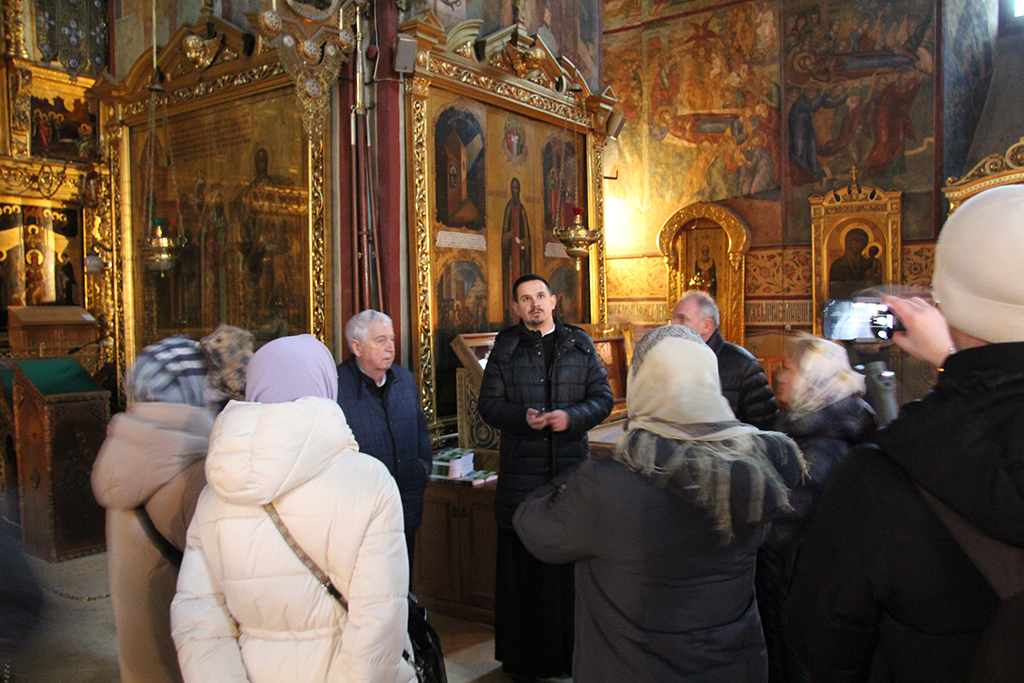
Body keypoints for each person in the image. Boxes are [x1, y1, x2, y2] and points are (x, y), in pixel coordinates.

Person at [784, 185, 1024, 683]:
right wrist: (956, 361)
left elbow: (821, 641)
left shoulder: (882, 475)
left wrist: (955, 361)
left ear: (944, 305)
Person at [513, 325, 805, 683]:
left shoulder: (609, 484)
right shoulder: (758, 469)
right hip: (733, 664)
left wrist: (576, 473)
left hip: (632, 669)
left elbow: (535, 527)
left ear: (642, 385)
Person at [171, 335, 415, 683]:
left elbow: (199, 619)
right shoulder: (369, 481)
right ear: (326, 385)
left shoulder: (216, 494)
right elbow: (380, 619)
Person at [92, 328, 253, 683]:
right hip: (185, 661)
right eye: (205, 383)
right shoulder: (191, 472)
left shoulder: (126, 451)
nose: (212, 391)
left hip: (142, 659)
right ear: (189, 389)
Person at [478, 274, 614, 683]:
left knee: (566, 571)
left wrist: (572, 417)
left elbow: (603, 398)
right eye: (525, 299)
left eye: (540, 296)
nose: (534, 303)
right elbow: (489, 404)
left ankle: (569, 657)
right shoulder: (507, 346)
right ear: (516, 308)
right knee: (524, 574)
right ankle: (525, 662)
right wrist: (522, 418)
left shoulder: (579, 343)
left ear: (554, 301)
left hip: (570, 475)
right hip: (522, 478)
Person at [755, 334, 875, 683]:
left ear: (814, 379)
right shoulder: (819, 432)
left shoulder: (817, 451)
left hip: (799, 595)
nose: (781, 376)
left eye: (790, 369)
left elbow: (778, 533)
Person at [337, 310, 431, 567]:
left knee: (404, 574)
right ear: (357, 347)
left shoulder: (404, 380)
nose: (391, 348)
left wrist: (422, 467)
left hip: (406, 499)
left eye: (391, 339)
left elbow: (420, 429)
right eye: (381, 341)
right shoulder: (337, 387)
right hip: (361, 510)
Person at [672, 290, 779, 430]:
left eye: (682, 319)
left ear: (706, 325)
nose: (673, 326)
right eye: (673, 319)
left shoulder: (744, 365)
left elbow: (763, 427)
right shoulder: (672, 363)